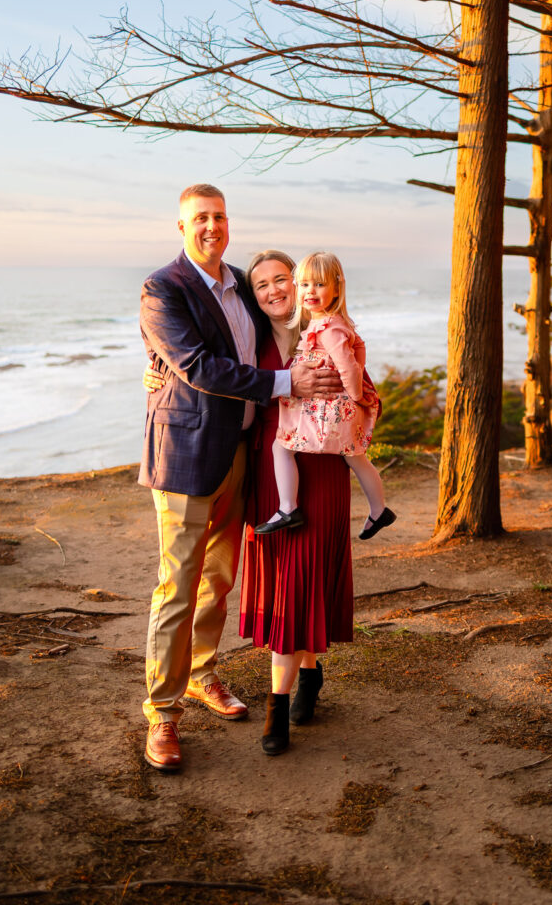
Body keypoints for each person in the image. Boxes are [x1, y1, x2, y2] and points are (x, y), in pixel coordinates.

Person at [139, 186, 341, 773]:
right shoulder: (163, 287)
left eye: (220, 216)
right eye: (200, 218)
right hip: (186, 456)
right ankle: (162, 715)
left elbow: (282, 330)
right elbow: (195, 364)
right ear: (179, 225)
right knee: (178, 585)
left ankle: (202, 673)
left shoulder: (241, 286)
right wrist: (286, 387)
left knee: (220, 578)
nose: (211, 226)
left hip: (243, 455)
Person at [239, 251, 357, 755]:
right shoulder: (247, 337)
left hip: (323, 466)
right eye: (261, 284)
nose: (274, 290)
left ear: (299, 281)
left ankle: (278, 710)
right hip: (271, 466)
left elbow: (358, 383)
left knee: (303, 577)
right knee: (286, 580)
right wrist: (154, 370)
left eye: (281, 279)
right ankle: (307, 677)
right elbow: (207, 370)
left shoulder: (325, 326)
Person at [255, 251, 396, 542]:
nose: (310, 292)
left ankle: (287, 507)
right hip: (338, 407)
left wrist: (357, 396)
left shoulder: (327, 328)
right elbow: (360, 355)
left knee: (282, 448)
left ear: (336, 288)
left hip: (328, 409)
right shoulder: (336, 324)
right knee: (357, 458)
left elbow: (348, 366)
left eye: (319, 285)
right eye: (305, 285)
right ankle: (378, 509)